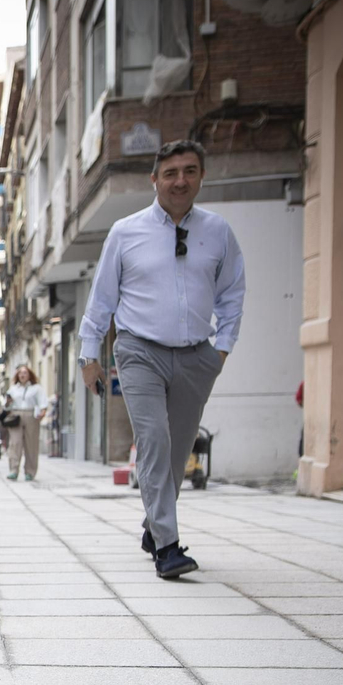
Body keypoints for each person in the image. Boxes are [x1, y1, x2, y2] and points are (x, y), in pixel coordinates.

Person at [79, 138, 245, 580]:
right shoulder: (125, 231)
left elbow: (232, 295)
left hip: (196, 355)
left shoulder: (218, 231)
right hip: (139, 350)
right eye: (170, 173)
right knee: (153, 439)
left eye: (189, 171)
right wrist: (87, 355)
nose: (180, 181)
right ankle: (168, 548)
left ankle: (154, 527)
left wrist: (221, 350)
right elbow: (101, 300)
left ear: (201, 176)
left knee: (178, 449)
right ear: (154, 179)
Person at [4, 365, 46, 481]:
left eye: (25, 373)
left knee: (31, 444)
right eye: (20, 373)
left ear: (29, 375)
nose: (22, 375)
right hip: (16, 416)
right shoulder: (13, 389)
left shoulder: (36, 388)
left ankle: (30, 471)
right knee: (15, 443)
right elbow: (6, 406)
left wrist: (42, 413)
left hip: (31, 415)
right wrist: (8, 402)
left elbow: (43, 403)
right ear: (17, 375)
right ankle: (13, 470)